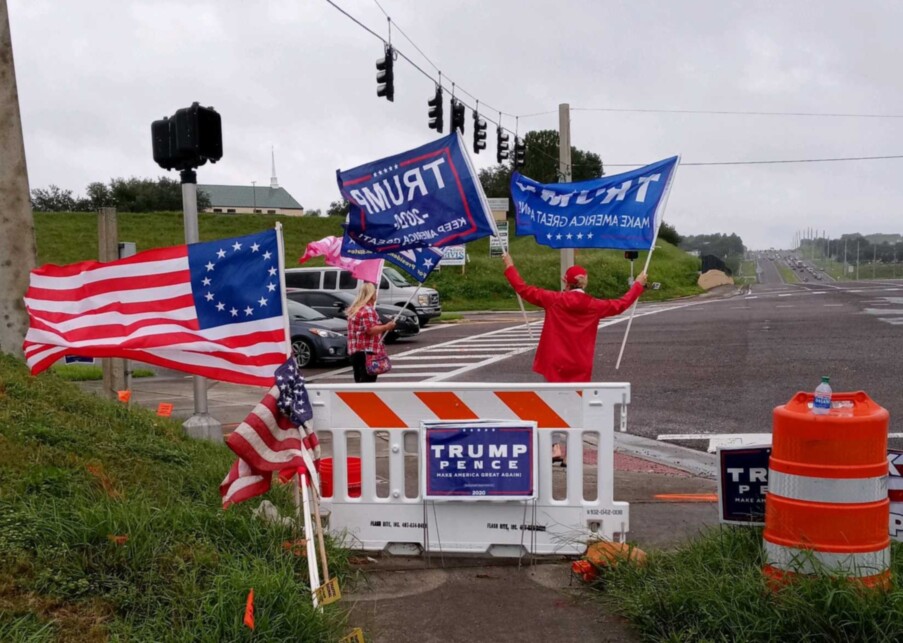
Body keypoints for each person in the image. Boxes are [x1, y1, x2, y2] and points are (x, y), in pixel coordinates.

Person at [502, 252, 647, 383]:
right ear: (584, 282)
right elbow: (621, 304)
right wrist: (637, 285)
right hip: (580, 363)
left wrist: (510, 267)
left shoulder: (553, 300)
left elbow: (523, 289)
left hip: (555, 362)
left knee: (552, 405)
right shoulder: (594, 305)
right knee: (577, 406)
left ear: (566, 282)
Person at [346, 283, 396, 383]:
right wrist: (386, 327)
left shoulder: (355, 310)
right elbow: (370, 330)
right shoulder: (368, 310)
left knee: (359, 381)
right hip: (367, 352)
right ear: (372, 294)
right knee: (367, 383)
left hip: (355, 352)